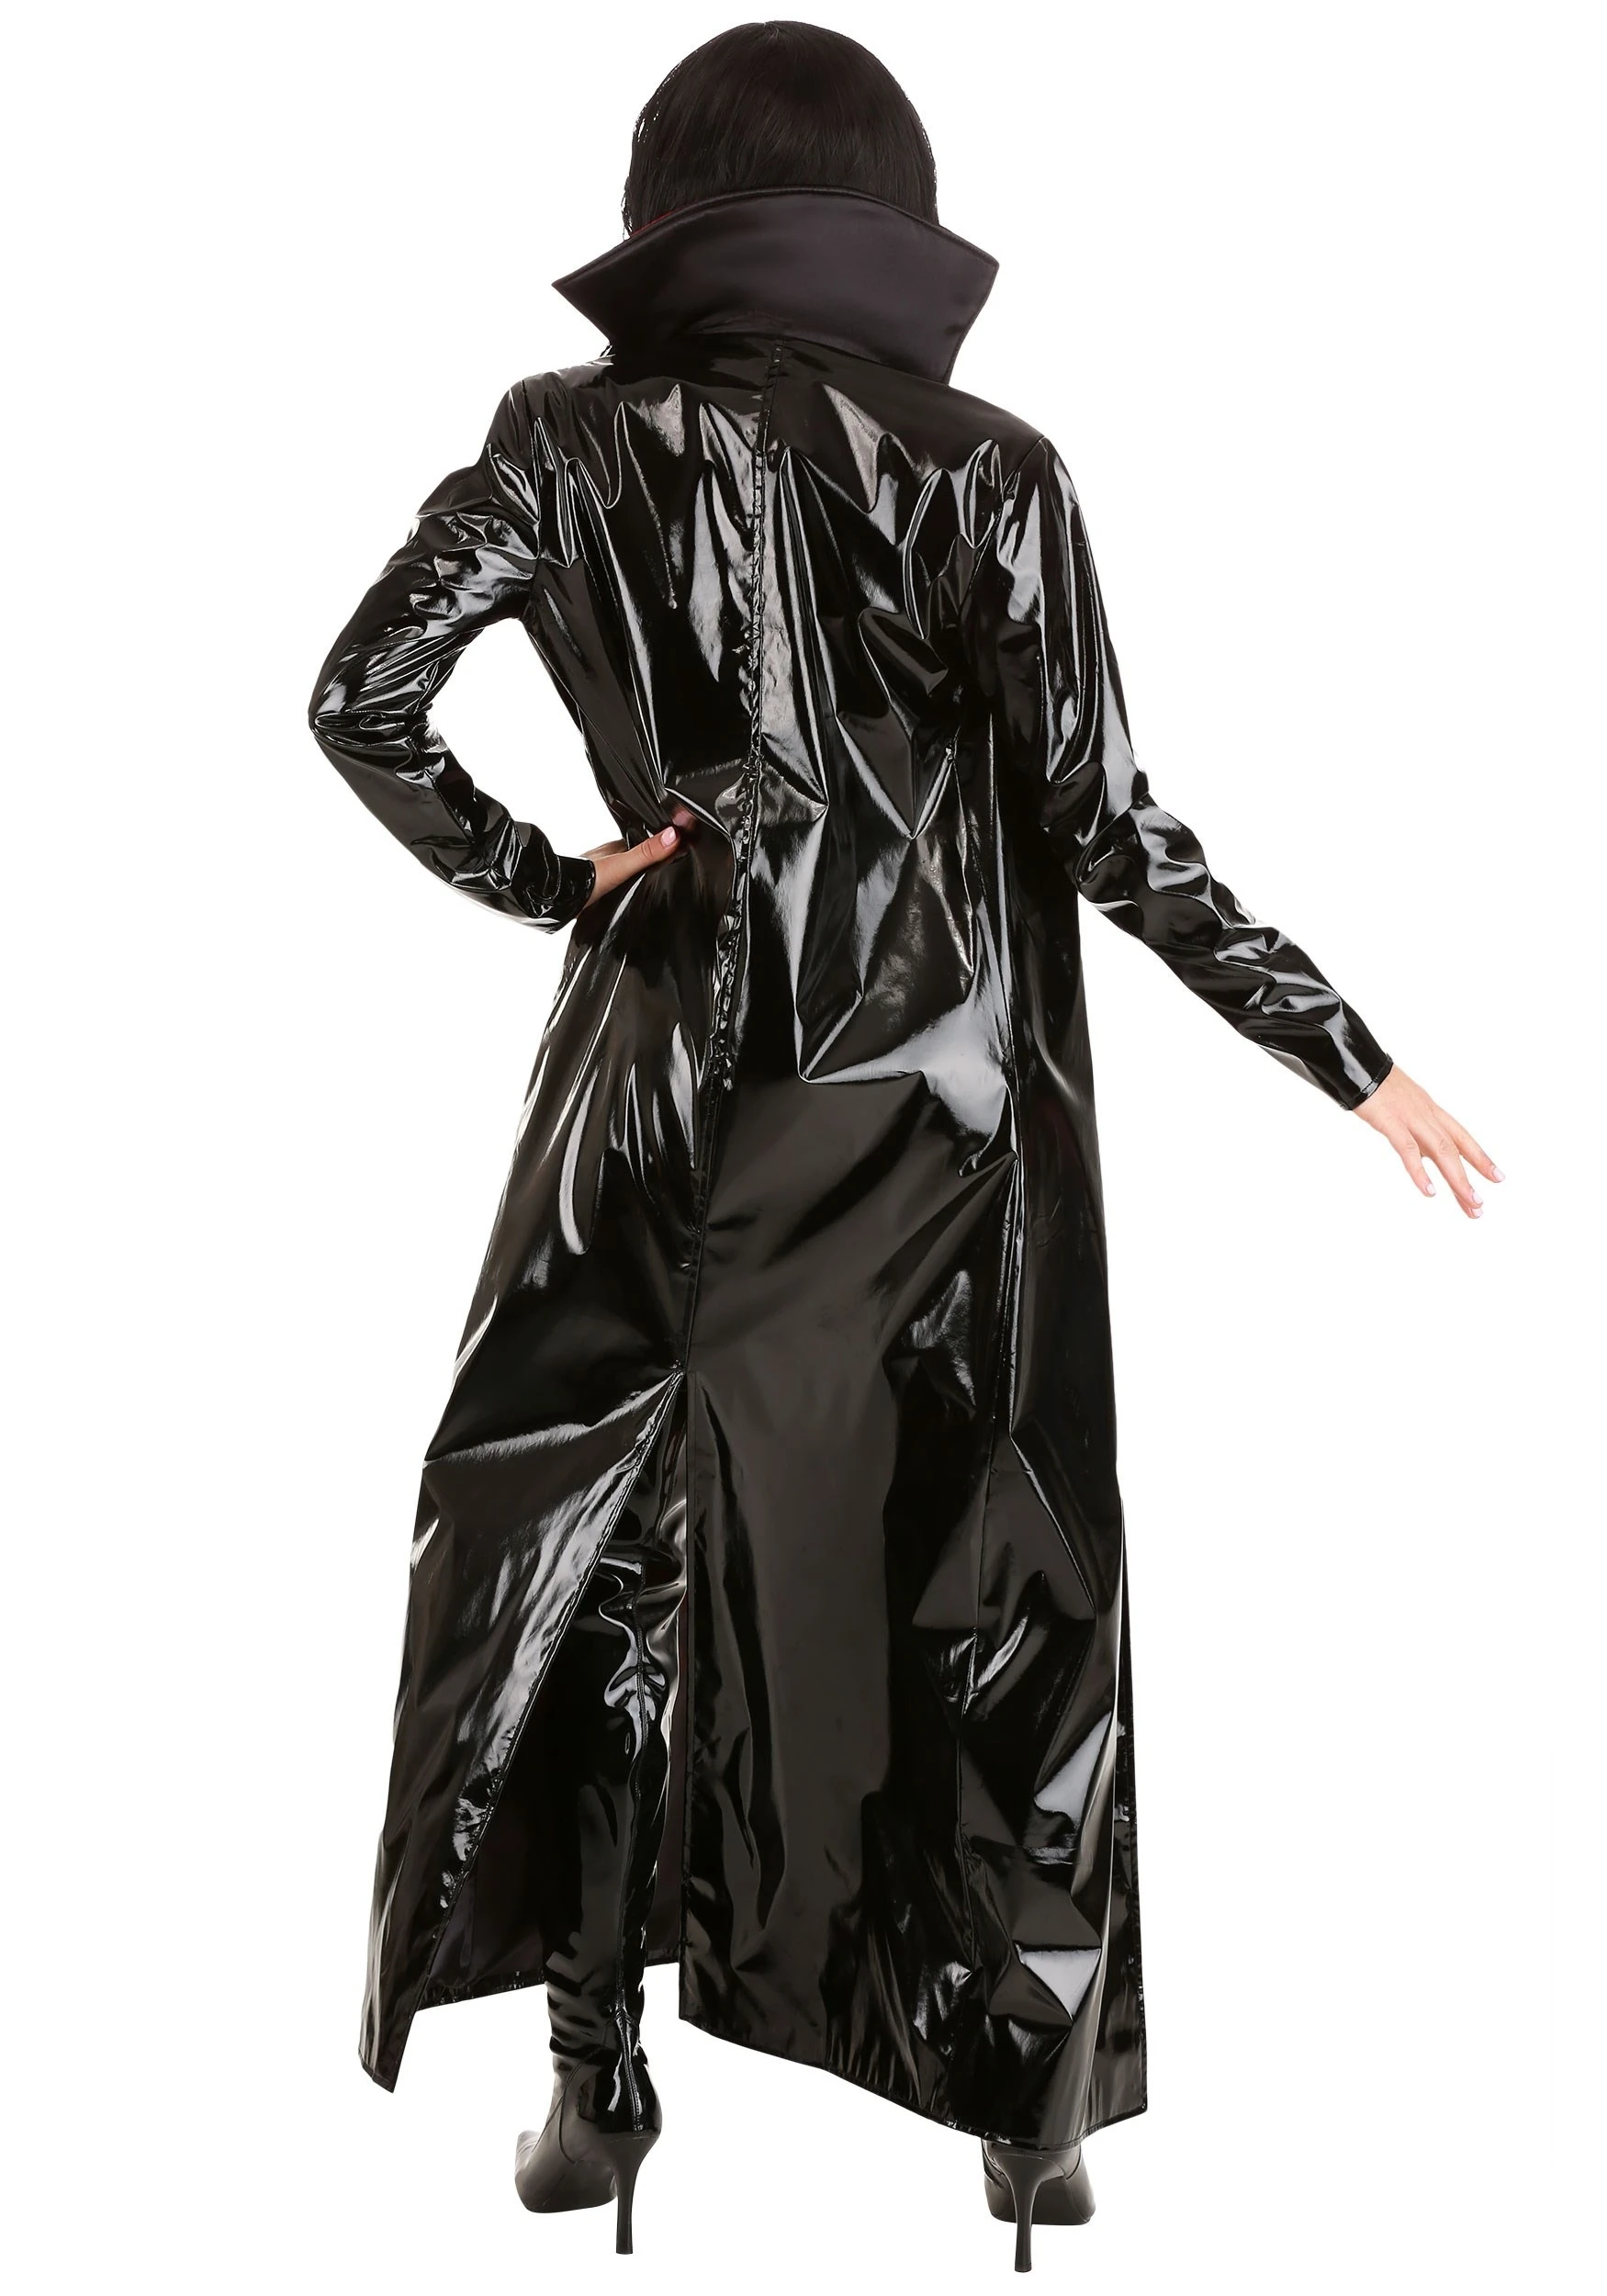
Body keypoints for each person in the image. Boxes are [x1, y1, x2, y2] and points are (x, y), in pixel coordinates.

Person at [307, 20, 1499, 2273]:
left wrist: (560, 878)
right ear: (889, 201)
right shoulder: (993, 465)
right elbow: (1104, 823)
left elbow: (359, 698)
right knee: (991, 1558)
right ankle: (1025, 2120)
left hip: (660, 1083)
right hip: (941, 1108)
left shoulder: (559, 436)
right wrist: (1339, 1051)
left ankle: (596, 2077)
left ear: (668, 192)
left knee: (613, 1540)